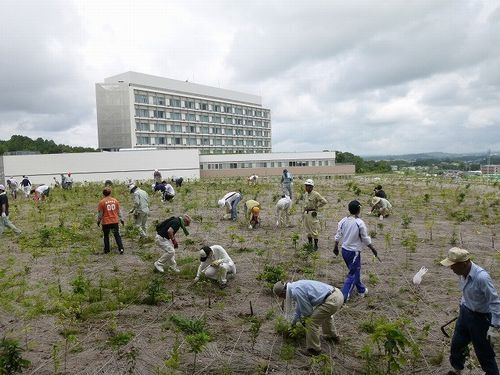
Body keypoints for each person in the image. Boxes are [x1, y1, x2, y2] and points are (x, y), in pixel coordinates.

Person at [440, 247, 499, 375]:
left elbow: (495, 302)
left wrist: (494, 326)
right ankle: (457, 370)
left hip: (480, 319)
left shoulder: (482, 278)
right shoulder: (462, 273)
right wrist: (463, 305)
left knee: (484, 354)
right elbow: (466, 292)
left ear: (464, 263)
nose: (451, 268)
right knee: (456, 346)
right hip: (465, 314)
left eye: (453, 265)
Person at [273, 280, 344, 356]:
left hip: (332, 300)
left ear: (283, 292)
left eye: (281, 296)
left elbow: (307, 311)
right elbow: (299, 309)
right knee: (325, 315)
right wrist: (293, 323)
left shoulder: (296, 291)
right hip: (337, 294)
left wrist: (303, 322)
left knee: (311, 322)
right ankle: (332, 337)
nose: (283, 298)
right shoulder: (295, 286)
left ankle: (314, 350)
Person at [334, 200, 378, 302]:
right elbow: (365, 238)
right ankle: (344, 296)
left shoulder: (343, 221)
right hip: (353, 252)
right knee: (353, 274)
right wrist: (373, 248)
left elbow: (338, 235)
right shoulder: (359, 223)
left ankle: (361, 290)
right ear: (359, 210)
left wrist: (335, 246)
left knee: (354, 271)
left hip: (344, 250)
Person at [97, 187, 125, 254]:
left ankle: (107, 250)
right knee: (117, 235)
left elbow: (100, 213)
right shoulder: (115, 201)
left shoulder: (102, 202)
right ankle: (121, 248)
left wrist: (98, 220)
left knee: (106, 236)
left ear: (103, 194)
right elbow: (119, 211)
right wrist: (121, 219)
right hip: (114, 221)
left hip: (106, 222)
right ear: (110, 193)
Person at [302, 179, 327, 250]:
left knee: (313, 229)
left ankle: (315, 246)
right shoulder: (305, 194)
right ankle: (310, 245)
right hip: (306, 213)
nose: (306, 187)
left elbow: (324, 201)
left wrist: (318, 207)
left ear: (312, 187)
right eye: (306, 186)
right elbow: (305, 204)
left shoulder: (316, 194)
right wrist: (303, 213)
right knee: (307, 230)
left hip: (312, 213)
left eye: (308, 186)